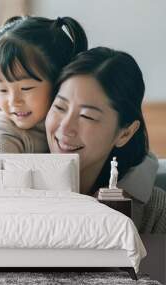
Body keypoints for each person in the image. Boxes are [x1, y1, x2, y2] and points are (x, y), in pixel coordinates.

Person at [45, 47, 166, 233]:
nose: (65, 128)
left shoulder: (156, 213)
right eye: (60, 107)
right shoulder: (18, 190)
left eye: (87, 116)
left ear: (125, 133)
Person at [0, 16, 88, 153]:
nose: (14, 101)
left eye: (26, 88)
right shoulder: (2, 135)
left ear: (59, 81)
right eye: (2, 90)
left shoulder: (75, 124)